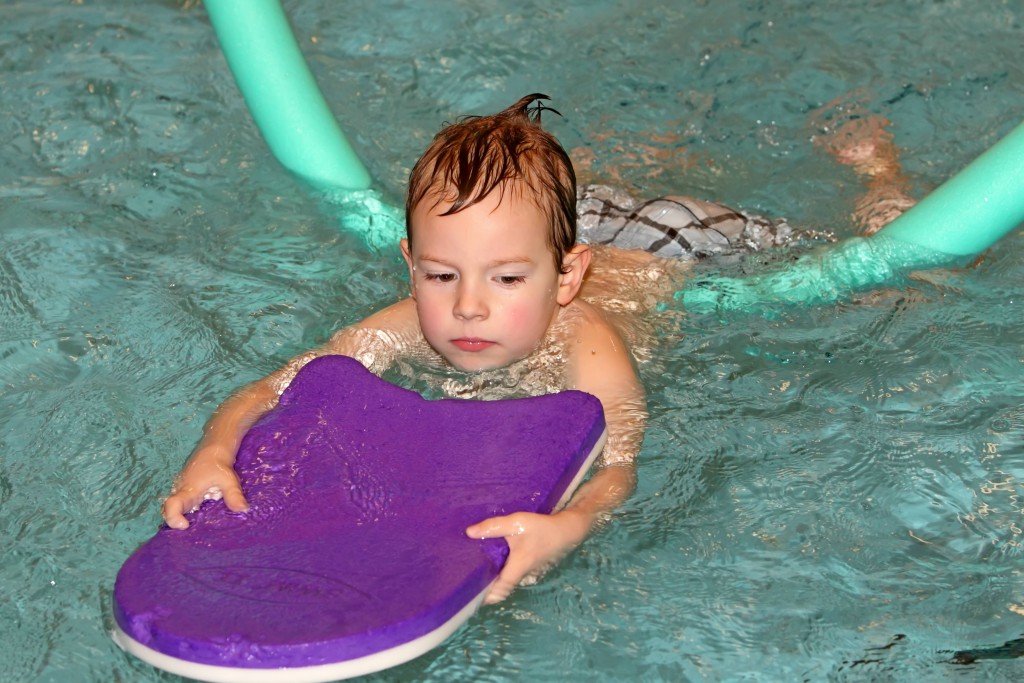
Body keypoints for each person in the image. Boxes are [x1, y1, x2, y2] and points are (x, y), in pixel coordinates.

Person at [161, 93, 911, 604]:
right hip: (560, 222)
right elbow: (275, 390)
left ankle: (880, 170)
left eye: (508, 278)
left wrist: (572, 523)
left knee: (879, 272)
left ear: (565, 277)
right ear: (410, 263)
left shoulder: (587, 337)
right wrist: (215, 448)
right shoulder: (403, 323)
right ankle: (637, 149)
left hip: (667, 244)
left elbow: (620, 461)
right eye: (441, 274)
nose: (469, 305)